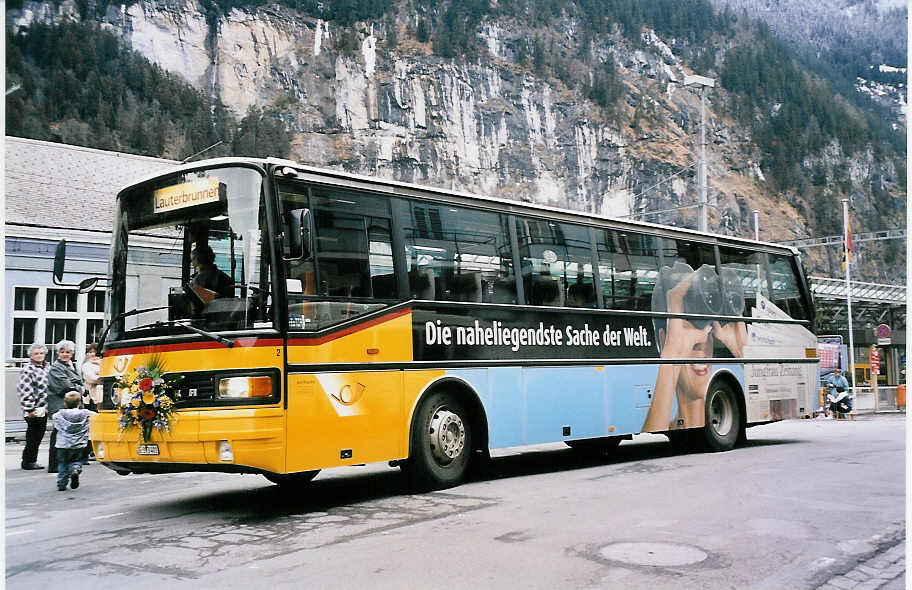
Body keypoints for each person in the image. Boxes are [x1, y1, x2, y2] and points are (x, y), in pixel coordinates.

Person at [642, 265, 747, 432]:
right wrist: (671, 357)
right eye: (687, 328)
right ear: (664, 342)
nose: (702, 343)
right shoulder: (658, 423)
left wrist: (744, 353)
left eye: (708, 329)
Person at [47, 340, 84, 473]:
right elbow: (65, 386)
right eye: (62, 352)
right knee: (59, 434)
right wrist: (78, 387)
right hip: (60, 405)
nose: (65, 354)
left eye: (68, 352)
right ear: (57, 353)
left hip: (68, 404)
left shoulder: (69, 366)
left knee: (67, 434)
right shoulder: (56, 367)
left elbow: (77, 382)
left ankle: (64, 463)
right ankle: (54, 465)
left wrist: (76, 385)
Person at [52, 391, 95, 491]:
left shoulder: (58, 415)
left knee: (62, 464)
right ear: (79, 403)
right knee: (77, 460)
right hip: (79, 444)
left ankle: (62, 483)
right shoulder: (85, 413)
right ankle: (75, 469)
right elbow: (96, 416)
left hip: (62, 445)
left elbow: (55, 421)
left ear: (65, 403)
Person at [16, 343, 50, 470]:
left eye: (41, 353)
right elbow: (25, 390)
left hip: (44, 407)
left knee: (38, 435)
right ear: (31, 355)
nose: (39, 355)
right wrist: (29, 408)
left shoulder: (47, 367)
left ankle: (30, 460)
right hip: (34, 408)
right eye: (36, 353)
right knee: (33, 436)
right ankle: (28, 461)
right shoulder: (28, 369)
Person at [80, 343, 103, 462]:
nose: (93, 354)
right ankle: (88, 451)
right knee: (91, 425)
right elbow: (92, 378)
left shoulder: (104, 363)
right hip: (91, 398)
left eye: (95, 352)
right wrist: (100, 376)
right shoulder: (87, 365)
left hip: (103, 397)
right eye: (91, 352)